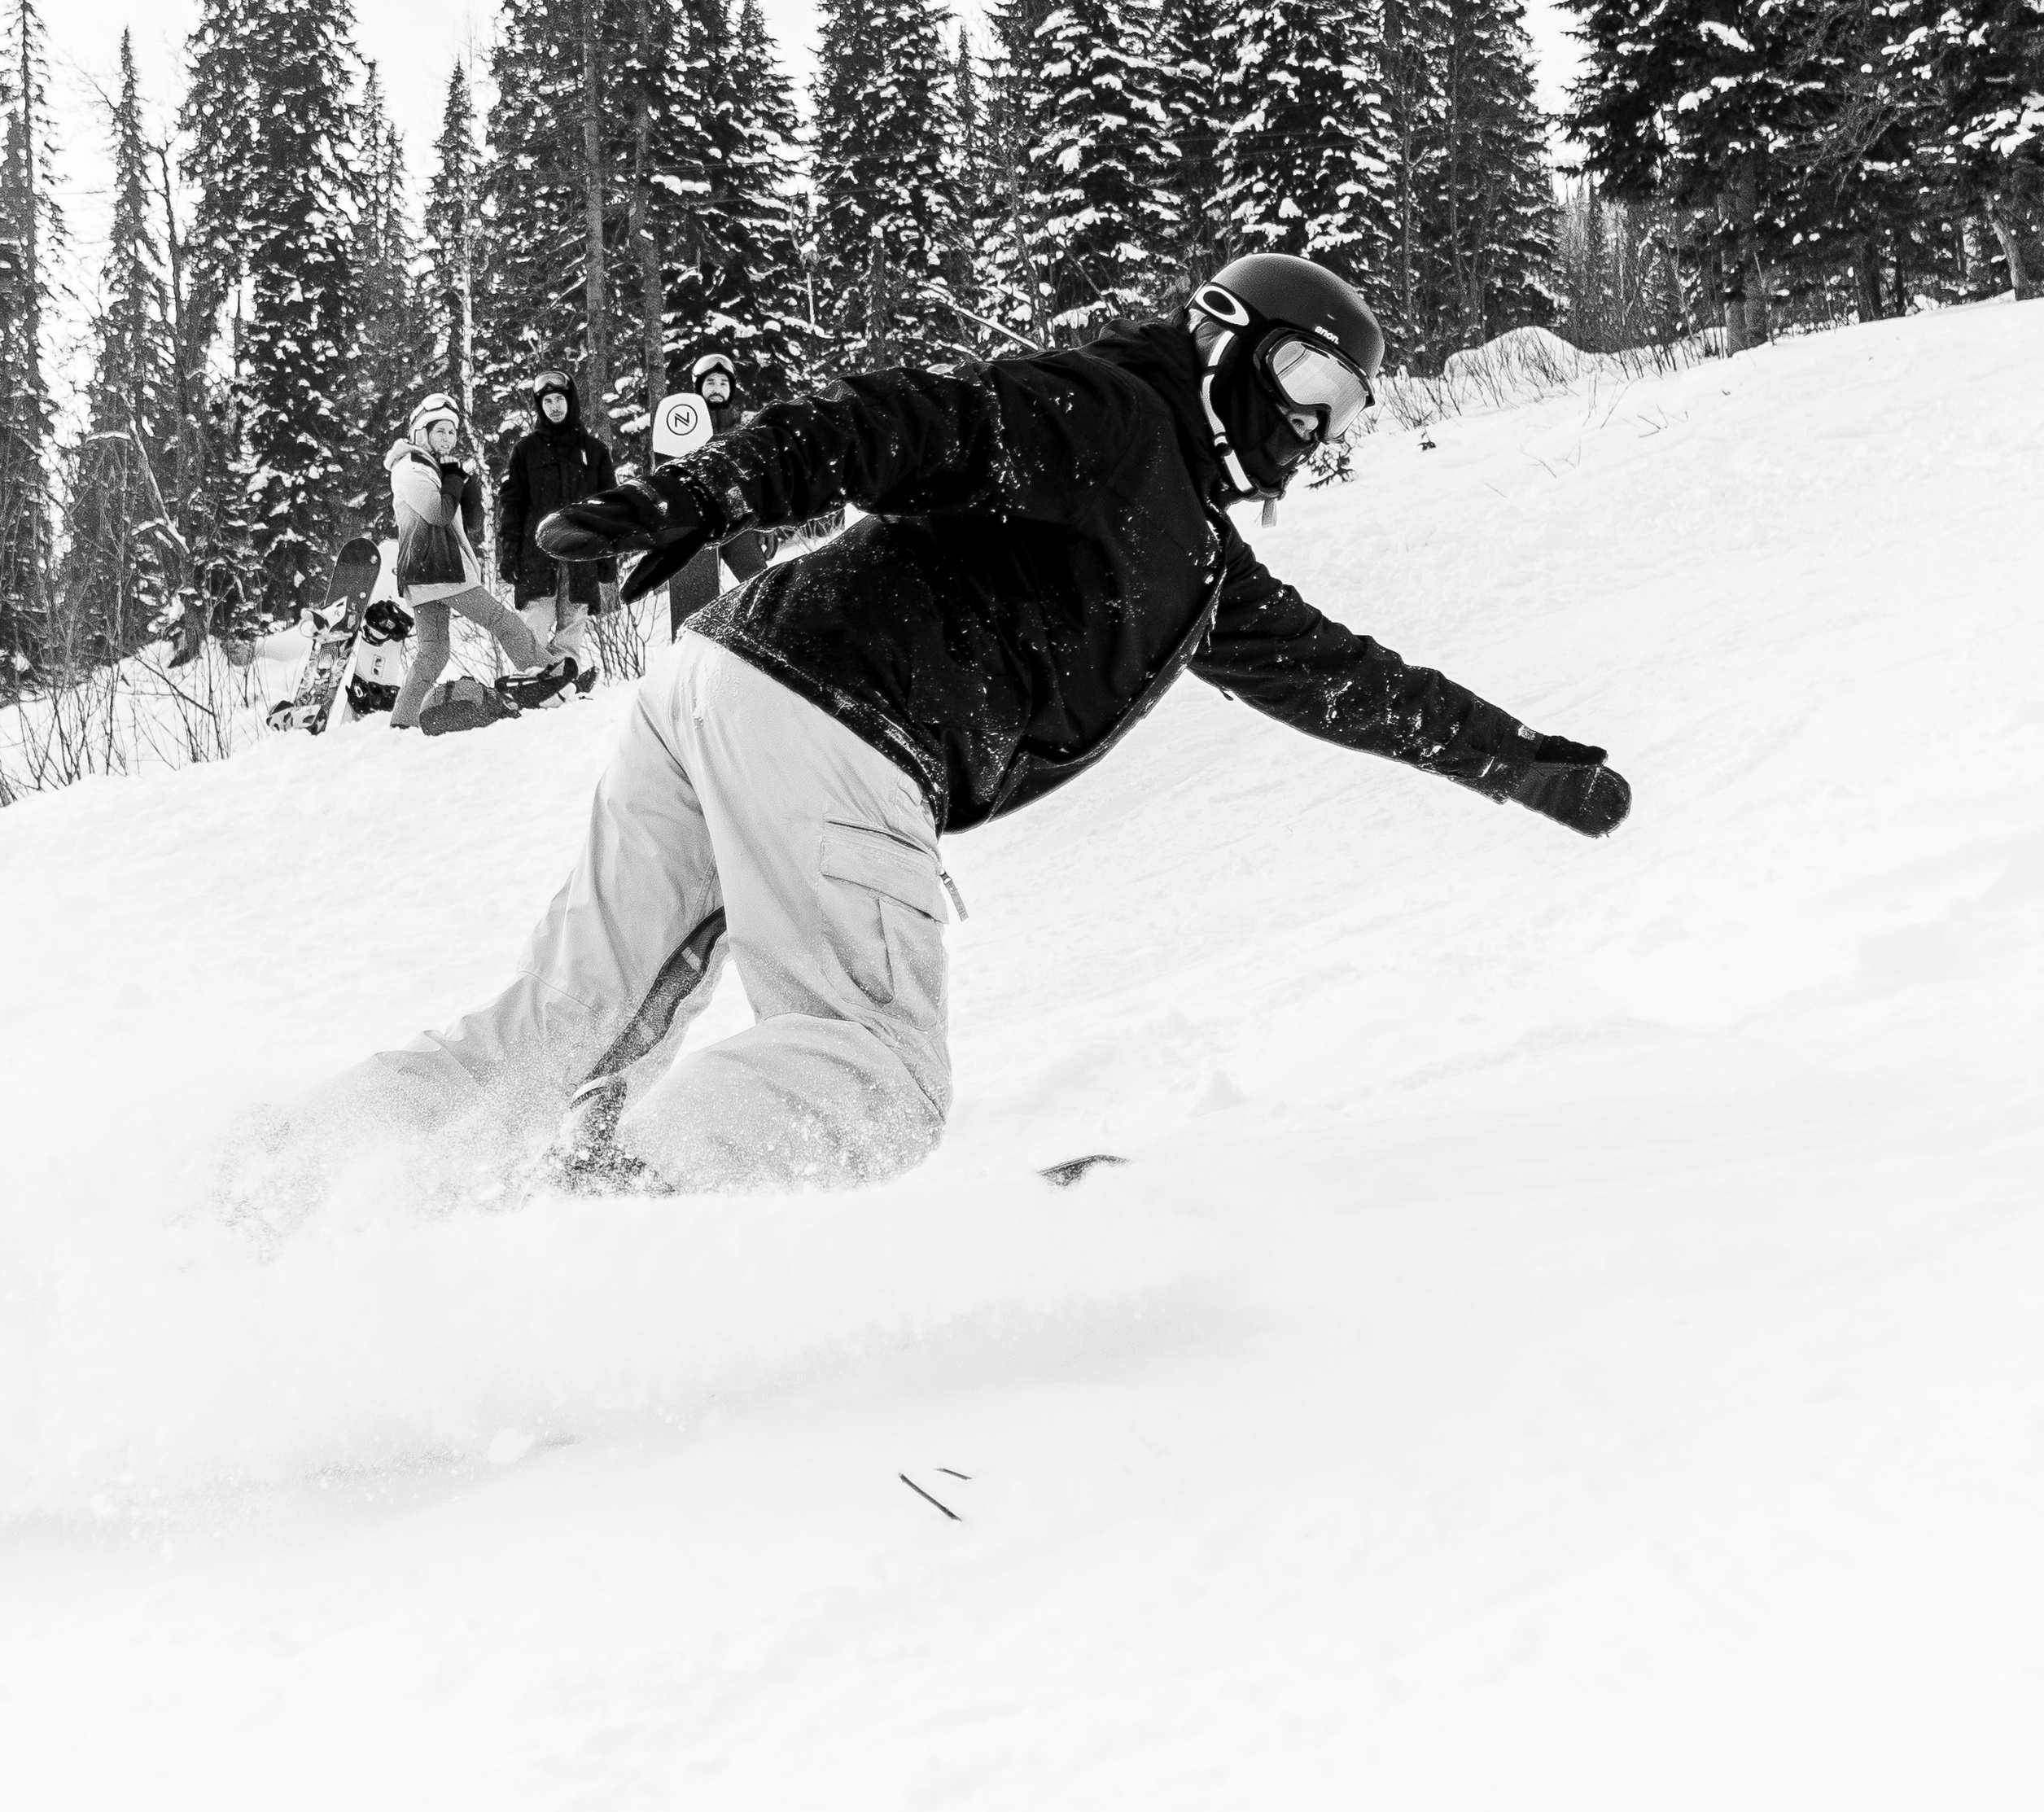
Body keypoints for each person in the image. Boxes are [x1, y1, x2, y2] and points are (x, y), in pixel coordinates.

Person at [316, 252, 1630, 1190]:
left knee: (558, 1037)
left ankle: (279, 1186)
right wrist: (711, 492)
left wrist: (1513, 761)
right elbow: (908, 425)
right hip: (839, 719)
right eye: (1302, 376)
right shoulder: (1118, 413)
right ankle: (611, 1235)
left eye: (1340, 414)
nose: (1310, 425)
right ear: (1225, 338)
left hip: (720, 689)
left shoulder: (1197, 563)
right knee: (872, 1072)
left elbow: (1345, 679)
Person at [386, 395, 571, 731]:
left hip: (428, 573)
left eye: (451, 433)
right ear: (419, 432)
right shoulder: (408, 468)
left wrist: (464, 487)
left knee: (434, 650)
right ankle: (548, 676)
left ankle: (403, 723)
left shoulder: (431, 468)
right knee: (501, 620)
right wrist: (454, 482)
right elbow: (437, 512)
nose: (447, 439)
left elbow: (469, 523)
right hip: (439, 569)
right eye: (440, 431)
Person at [496, 365, 615, 694]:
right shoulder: (525, 451)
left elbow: (610, 507)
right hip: (537, 554)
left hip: (581, 553)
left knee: (573, 619)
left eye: (559, 399)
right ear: (540, 406)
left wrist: (609, 555)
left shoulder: (595, 452)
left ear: (570, 401)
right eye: (547, 401)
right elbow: (512, 506)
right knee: (536, 619)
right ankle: (528, 677)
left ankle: (563, 679)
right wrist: (508, 553)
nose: (554, 407)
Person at [662, 348, 775, 628]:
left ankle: (770, 640)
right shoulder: (679, 428)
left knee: (761, 588)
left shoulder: (745, 431)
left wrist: (768, 524)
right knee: (694, 608)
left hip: (738, 520)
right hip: (696, 525)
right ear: (698, 387)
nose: (717, 389)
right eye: (710, 382)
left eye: (723, 383)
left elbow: (759, 480)